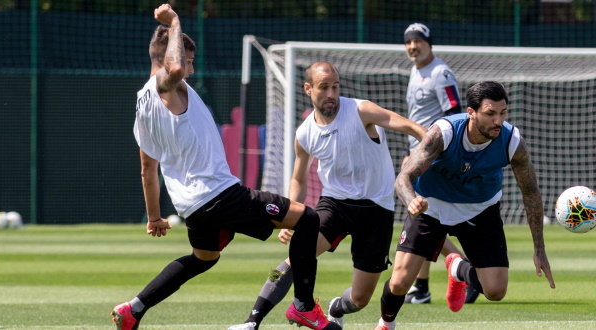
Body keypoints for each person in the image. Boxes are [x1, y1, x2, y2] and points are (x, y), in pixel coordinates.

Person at [110, 5, 332, 330]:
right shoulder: (166, 85)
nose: (191, 66)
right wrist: (174, 23)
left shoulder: (141, 105)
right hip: (219, 195)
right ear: (169, 56)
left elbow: (148, 169)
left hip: (192, 205)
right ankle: (303, 306)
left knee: (204, 259)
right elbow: (171, 68)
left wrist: (154, 215)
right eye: (189, 60)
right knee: (308, 219)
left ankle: (134, 309)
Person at [228, 61, 426, 330]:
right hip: (335, 204)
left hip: (377, 209)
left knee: (360, 299)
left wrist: (430, 151)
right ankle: (252, 321)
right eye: (324, 87)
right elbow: (298, 178)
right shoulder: (304, 133)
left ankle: (335, 307)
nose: (331, 93)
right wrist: (292, 214)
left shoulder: (361, 110)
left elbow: (413, 128)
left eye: (335, 86)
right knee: (295, 257)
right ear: (308, 89)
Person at [373, 81, 556, 330]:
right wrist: (412, 200)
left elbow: (531, 193)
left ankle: (458, 268)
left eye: (502, 113)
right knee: (399, 283)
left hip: (479, 209)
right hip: (432, 206)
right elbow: (403, 178)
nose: (498, 121)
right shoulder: (444, 133)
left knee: (495, 290)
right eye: (490, 113)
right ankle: (386, 324)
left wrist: (539, 249)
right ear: (471, 112)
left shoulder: (512, 141)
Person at [401, 22, 475, 305]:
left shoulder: (440, 72)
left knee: (422, 221)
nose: (412, 46)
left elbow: (454, 115)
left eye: (418, 41)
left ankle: (466, 272)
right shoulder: (416, 70)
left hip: (435, 158)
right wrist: (411, 154)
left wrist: (442, 156)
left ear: (429, 43)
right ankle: (423, 287)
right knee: (421, 219)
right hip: (420, 156)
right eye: (408, 42)